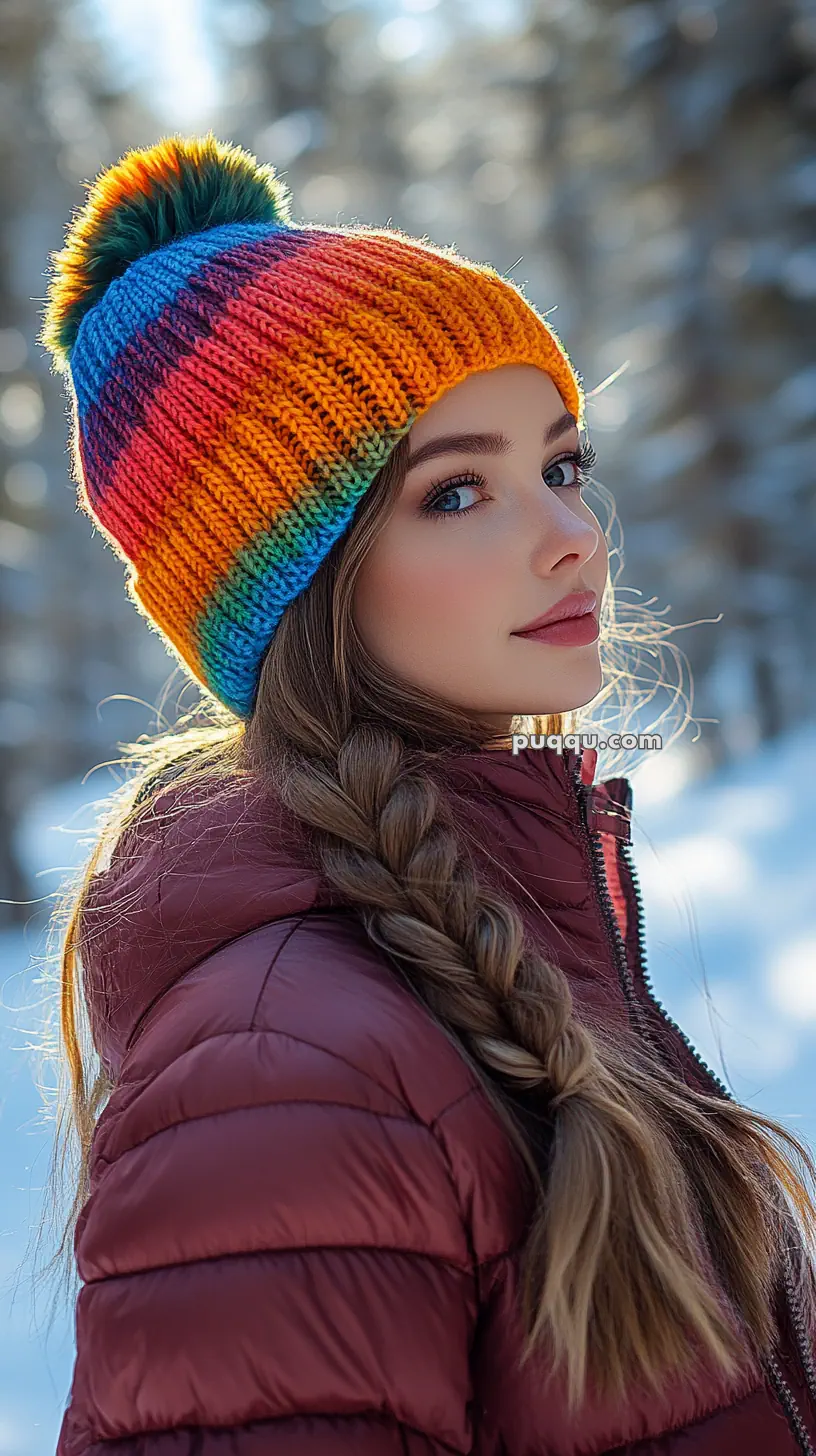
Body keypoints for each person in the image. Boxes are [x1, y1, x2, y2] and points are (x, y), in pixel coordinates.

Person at [38, 132, 816, 1455]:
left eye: (561, 465)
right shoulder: (279, 1064)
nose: (573, 533)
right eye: (457, 490)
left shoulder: (492, 941)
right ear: (301, 583)